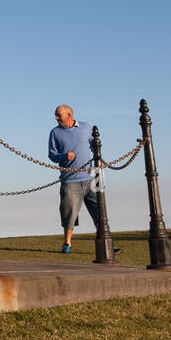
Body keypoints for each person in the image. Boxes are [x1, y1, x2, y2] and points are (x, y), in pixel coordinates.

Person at [47, 105, 118, 254]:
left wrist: (101, 159)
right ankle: (67, 243)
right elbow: (52, 155)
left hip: (93, 177)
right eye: (56, 115)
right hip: (70, 180)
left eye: (58, 115)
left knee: (100, 212)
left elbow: (95, 145)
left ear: (69, 115)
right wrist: (64, 156)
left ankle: (107, 244)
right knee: (69, 213)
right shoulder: (55, 133)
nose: (56, 118)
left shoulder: (86, 127)